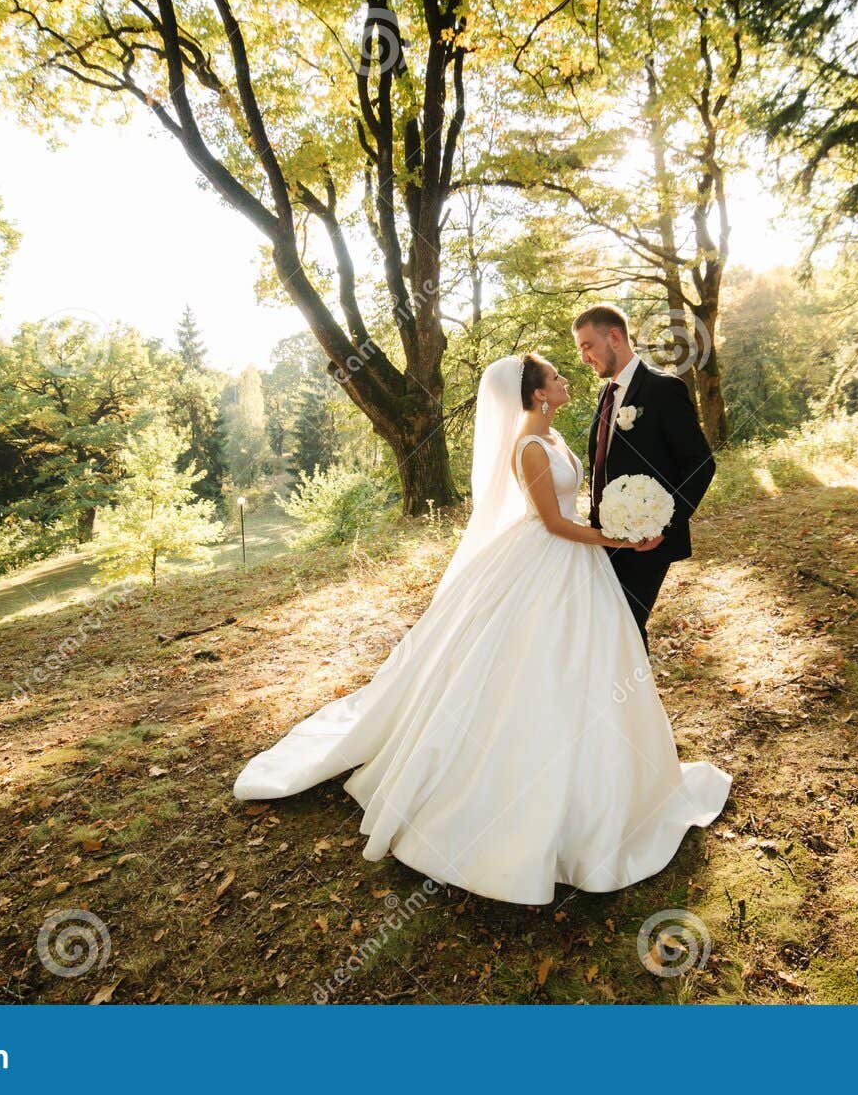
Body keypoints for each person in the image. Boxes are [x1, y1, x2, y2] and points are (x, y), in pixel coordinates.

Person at [231, 352, 730, 906]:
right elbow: (556, 524)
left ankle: (614, 785)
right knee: (535, 665)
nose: (567, 379)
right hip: (549, 559)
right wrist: (618, 540)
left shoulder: (554, 435)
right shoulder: (530, 447)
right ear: (538, 393)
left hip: (578, 567)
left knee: (594, 662)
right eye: (557, 376)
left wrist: (622, 520)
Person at [574, 304, 716, 651]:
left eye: (587, 346)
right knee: (612, 628)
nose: (584, 357)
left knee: (624, 627)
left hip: (646, 542)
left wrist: (663, 526)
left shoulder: (662, 389)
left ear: (614, 337)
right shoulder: (605, 394)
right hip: (606, 537)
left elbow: (701, 463)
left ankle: (634, 701)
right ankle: (631, 702)